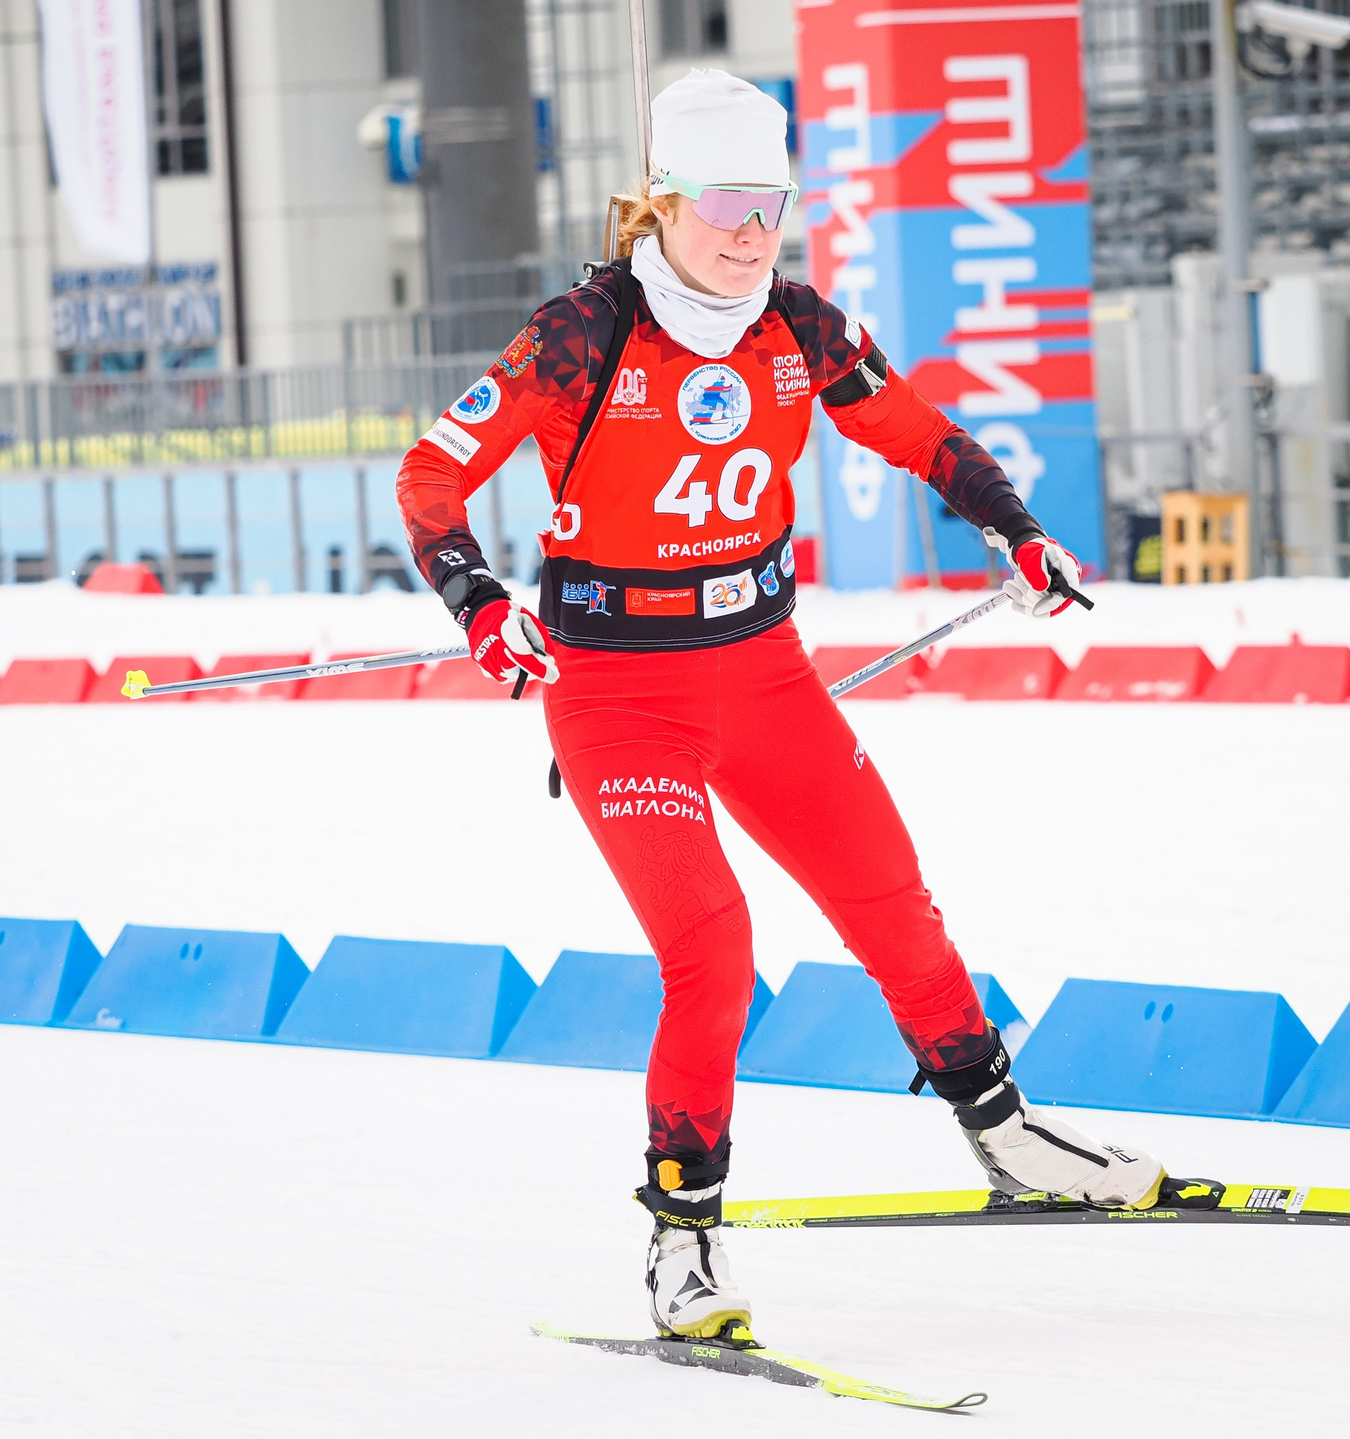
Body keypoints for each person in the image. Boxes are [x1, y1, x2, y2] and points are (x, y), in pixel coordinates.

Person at [395, 69, 1166, 1342]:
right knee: (712, 949)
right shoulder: (581, 335)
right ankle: (683, 1237)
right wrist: (478, 601)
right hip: (618, 696)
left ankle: (1007, 1133)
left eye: (773, 205)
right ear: (662, 208)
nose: (750, 232)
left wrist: (1016, 533)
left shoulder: (799, 327)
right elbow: (433, 475)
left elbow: (922, 436)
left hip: (762, 674)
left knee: (889, 896)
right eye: (725, 205)